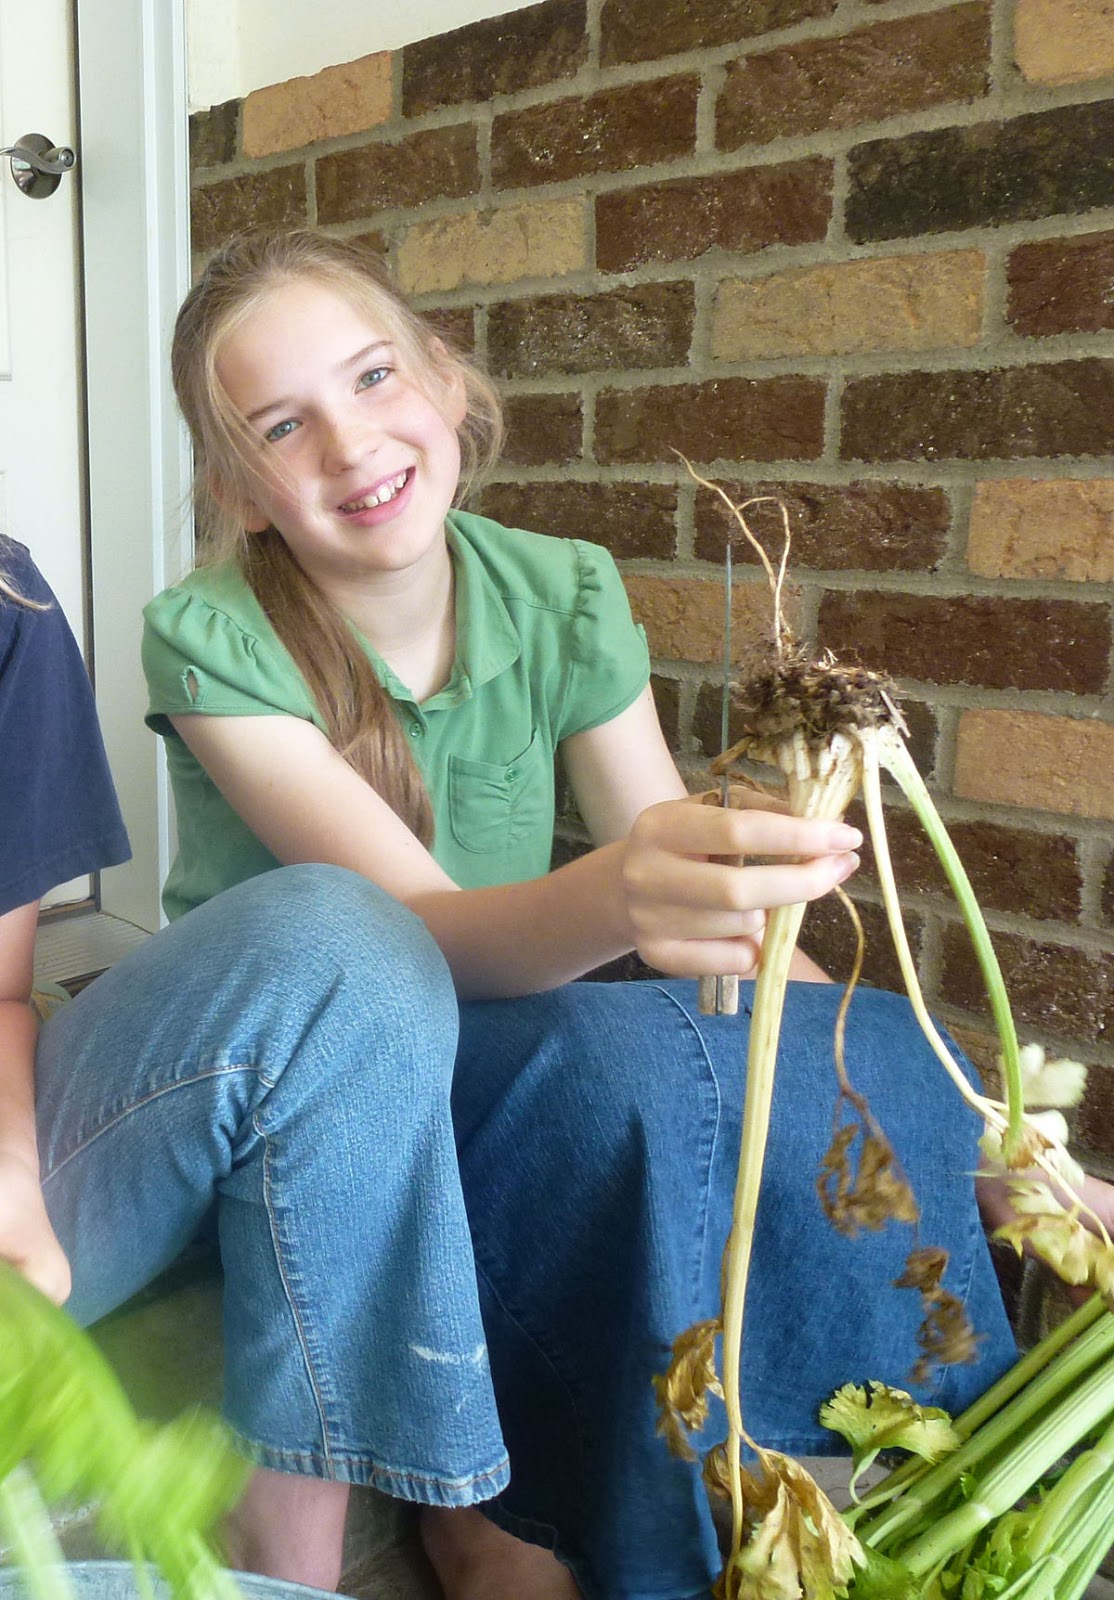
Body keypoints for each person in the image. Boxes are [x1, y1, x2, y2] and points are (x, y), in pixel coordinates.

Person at [129, 224, 1086, 1600]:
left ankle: (864, 1454)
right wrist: (618, 892)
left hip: (504, 1018)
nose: (351, 445)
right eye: (286, 425)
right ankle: (487, 1497)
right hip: (321, 1076)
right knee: (609, 1071)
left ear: (450, 383)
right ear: (243, 489)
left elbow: (697, 893)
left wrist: (971, 1122)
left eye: (375, 377)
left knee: (847, 1035)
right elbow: (402, 942)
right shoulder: (210, 633)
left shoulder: (561, 588)